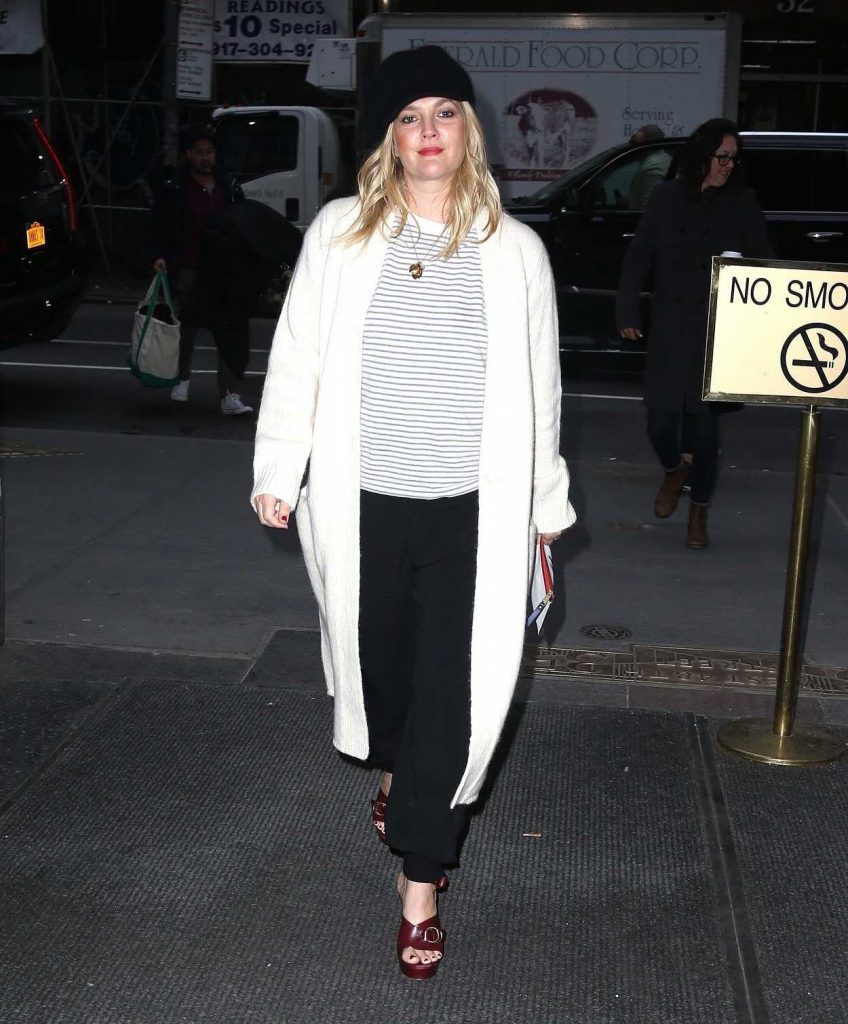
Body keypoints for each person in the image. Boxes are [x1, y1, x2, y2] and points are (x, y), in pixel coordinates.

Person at [251, 45, 575, 980]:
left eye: (444, 113)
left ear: (469, 128)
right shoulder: (341, 234)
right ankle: (397, 772)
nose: (428, 132)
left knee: (452, 696)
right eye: (408, 117)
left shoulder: (514, 252)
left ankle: (421, 883)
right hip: (362, 507)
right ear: (388, 139)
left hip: (474, 515)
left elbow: (542, 391)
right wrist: (279, 466)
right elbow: (299, 355)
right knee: (382, 674)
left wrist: (546, 505)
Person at [616, 117, 773, 548]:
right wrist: (627, 309)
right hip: (671, 324)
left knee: (704, 430)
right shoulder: (667, 197)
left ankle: (698, 510)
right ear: (702, 155)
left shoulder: (742, 202)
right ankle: (674, 469)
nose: (727, 165)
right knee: (660, 420)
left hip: (718, 331)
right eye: (721, 156)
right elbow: (639, 254)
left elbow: (763, 260)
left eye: (733, 159)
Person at [151, 124, 253, 415]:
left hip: (224, 270)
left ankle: (229, 394)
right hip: (189, 268)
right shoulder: (176, 189)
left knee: (229, 332)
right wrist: (159, 256)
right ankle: (181, 379)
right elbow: (158, 225)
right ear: (189, 155)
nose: (205, 158)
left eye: (209, 152)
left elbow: (244, 223)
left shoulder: (229, 188)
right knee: (186, 328)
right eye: (199, 152)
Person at [626, 123, 672, 210]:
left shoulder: (652, 169)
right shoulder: (665, 159)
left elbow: (650, 207)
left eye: (636, 144)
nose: (634, 148)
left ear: (648, 144)